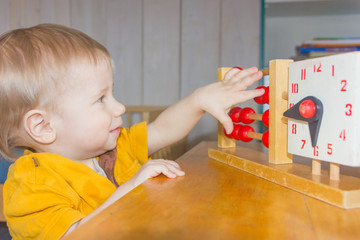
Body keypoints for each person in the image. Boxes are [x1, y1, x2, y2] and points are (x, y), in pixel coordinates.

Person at [0, 23, 264, 239]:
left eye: (112, 93)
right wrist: (131, 188)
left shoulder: (115, 146)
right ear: (44, 127)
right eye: (100, 99)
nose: (120, 107)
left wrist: (198, 101)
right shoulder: (31, 185)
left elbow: (162, 129)